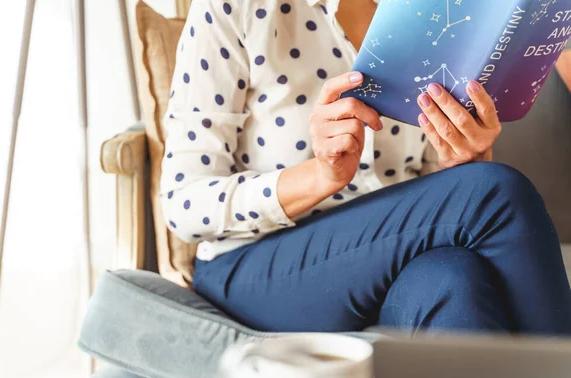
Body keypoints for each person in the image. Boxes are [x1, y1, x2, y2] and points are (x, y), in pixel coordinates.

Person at [160, 0, 571, 335]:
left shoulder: (433, 14)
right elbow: (183, 204)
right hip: (253, 265)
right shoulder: (235, 8)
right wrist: (321, 176)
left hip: (393, 260)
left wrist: (463, 160)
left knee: (451, 281)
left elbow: (431, 196)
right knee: (496, 193)